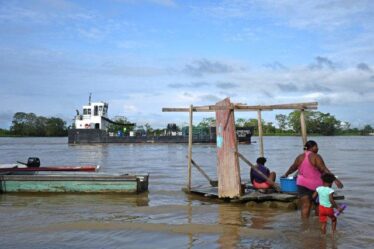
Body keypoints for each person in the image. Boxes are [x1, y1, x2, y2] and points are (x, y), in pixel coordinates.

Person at [282, 140, 343, 219]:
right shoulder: (316, 156)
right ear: (312, 147)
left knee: (305, 205)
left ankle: (304, 225)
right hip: (316, 185)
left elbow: (293, 167)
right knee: (318, 204)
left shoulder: (300, 157)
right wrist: (335, 179)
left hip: (302, 184)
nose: (318, 148)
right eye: (316, 146)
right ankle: (318, 224)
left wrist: (286, 174)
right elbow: (323, 169)